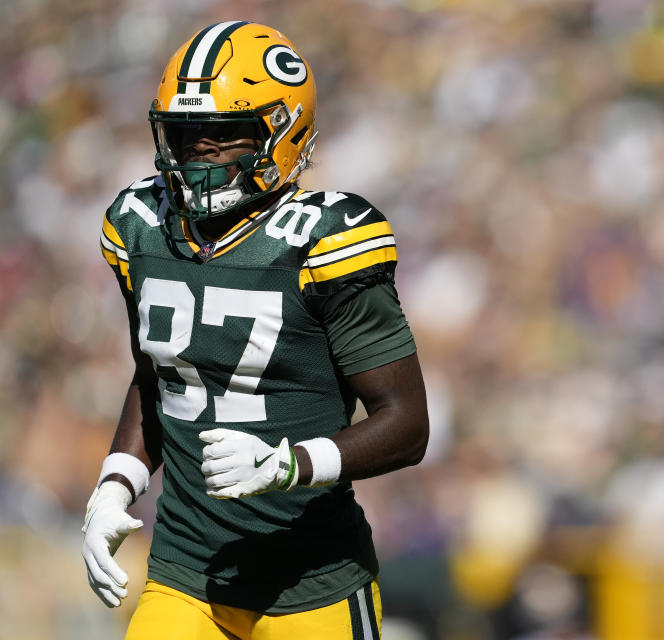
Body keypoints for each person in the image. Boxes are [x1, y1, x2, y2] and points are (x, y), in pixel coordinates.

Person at [81, 20, 429, 639]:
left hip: (310, 583)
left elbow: (405, 424)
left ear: (283, 132)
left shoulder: (325, 241)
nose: (201, 155)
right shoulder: (141, 226)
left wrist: (289, 464)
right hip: (187, 573)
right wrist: (116, 483)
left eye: (225, 137)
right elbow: (159, 375)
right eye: (188, 136)